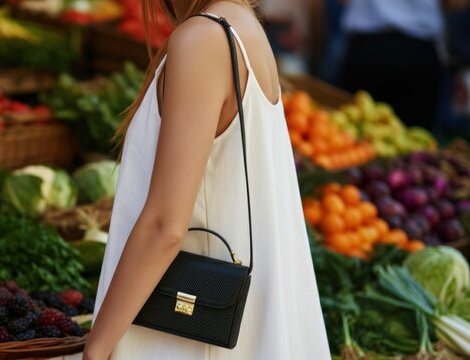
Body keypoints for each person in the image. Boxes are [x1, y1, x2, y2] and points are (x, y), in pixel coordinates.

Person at [83, 0, 330, 359]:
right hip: (224, 323)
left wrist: (97, 347)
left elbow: (164, 227)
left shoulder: (203, 39)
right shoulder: (240, 23)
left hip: (188, 331)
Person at [340, 0, 468, 129]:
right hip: (417, 52)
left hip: (368, 47)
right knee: (414, 139)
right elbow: (456, 3)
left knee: (352, 129)